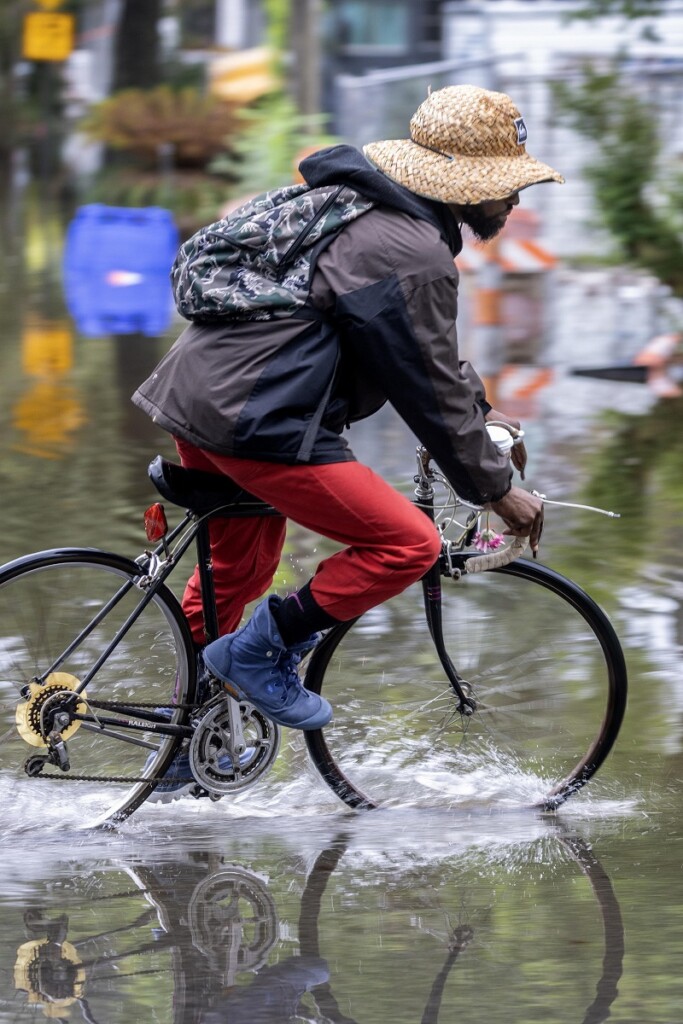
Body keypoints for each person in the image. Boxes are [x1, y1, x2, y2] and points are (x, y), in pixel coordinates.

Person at [132, 85, 563, 774]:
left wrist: (479, 416)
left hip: (205, 399)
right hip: (259, 418)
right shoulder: (411, 247)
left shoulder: (366, 212)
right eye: (505, 187)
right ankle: (256, 653)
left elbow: (422, 356)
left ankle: (189, 742)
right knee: (405, 544)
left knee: (233, 572)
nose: (514, 202)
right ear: (461, 185)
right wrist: (495, 491)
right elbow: (420, 376)